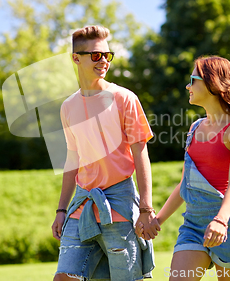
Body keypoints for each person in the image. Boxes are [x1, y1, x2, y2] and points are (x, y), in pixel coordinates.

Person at [138, 56, 230, 281]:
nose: (188, 86)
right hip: (193, 225)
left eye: (192, 79)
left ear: (212, 82)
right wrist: (159, 219)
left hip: (229, 224)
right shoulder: (195, 128)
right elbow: (185, 182)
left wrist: (221, 220)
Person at [52, 25, 160, 281]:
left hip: (119, 204)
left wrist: (145, 207)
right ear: (76, 58)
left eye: (107, 55)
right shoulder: (68, 107)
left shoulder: (125, 98)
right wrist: (61, 210)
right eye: (96, 55)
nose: (104, 61)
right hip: (82, 205)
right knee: (64, 277)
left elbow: (140, 154)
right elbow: (72, 160)